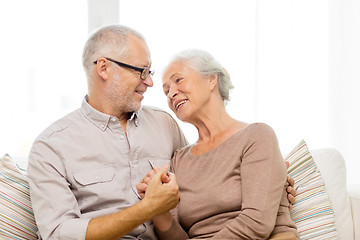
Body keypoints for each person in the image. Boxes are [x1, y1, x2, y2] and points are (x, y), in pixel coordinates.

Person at [27, 25, 295, 240]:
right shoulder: (51, 146)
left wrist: (271, 179)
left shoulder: (164, 125)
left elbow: (211, 175)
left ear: (212, 79)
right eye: (141, 71)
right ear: (104, 68)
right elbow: (59, 233)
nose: (151, 83)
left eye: (153, 73)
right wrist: (147, 210)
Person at [137, 49, 299, 239]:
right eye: (166, 91)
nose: (171, 93)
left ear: (211, 79)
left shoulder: (256, 136)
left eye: (178, 80)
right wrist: (157, 210)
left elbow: (256, 223)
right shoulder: (180, 159)